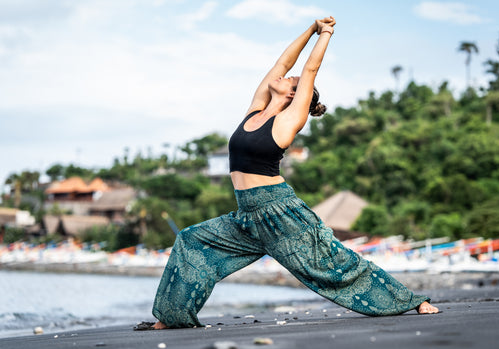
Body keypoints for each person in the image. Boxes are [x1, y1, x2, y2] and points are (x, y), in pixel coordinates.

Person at [141, 16, 439, 331]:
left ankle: (412, 300)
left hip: (280, 214)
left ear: (296, 96)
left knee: (334, 265)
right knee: (191, 240)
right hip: (246, 216)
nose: (287, 75)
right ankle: (172, 318)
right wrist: (310, 29)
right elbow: (282, 62)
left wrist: (325, 34)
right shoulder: (256, 110)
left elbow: (309, 70)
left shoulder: (287, 121)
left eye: (292, 80)